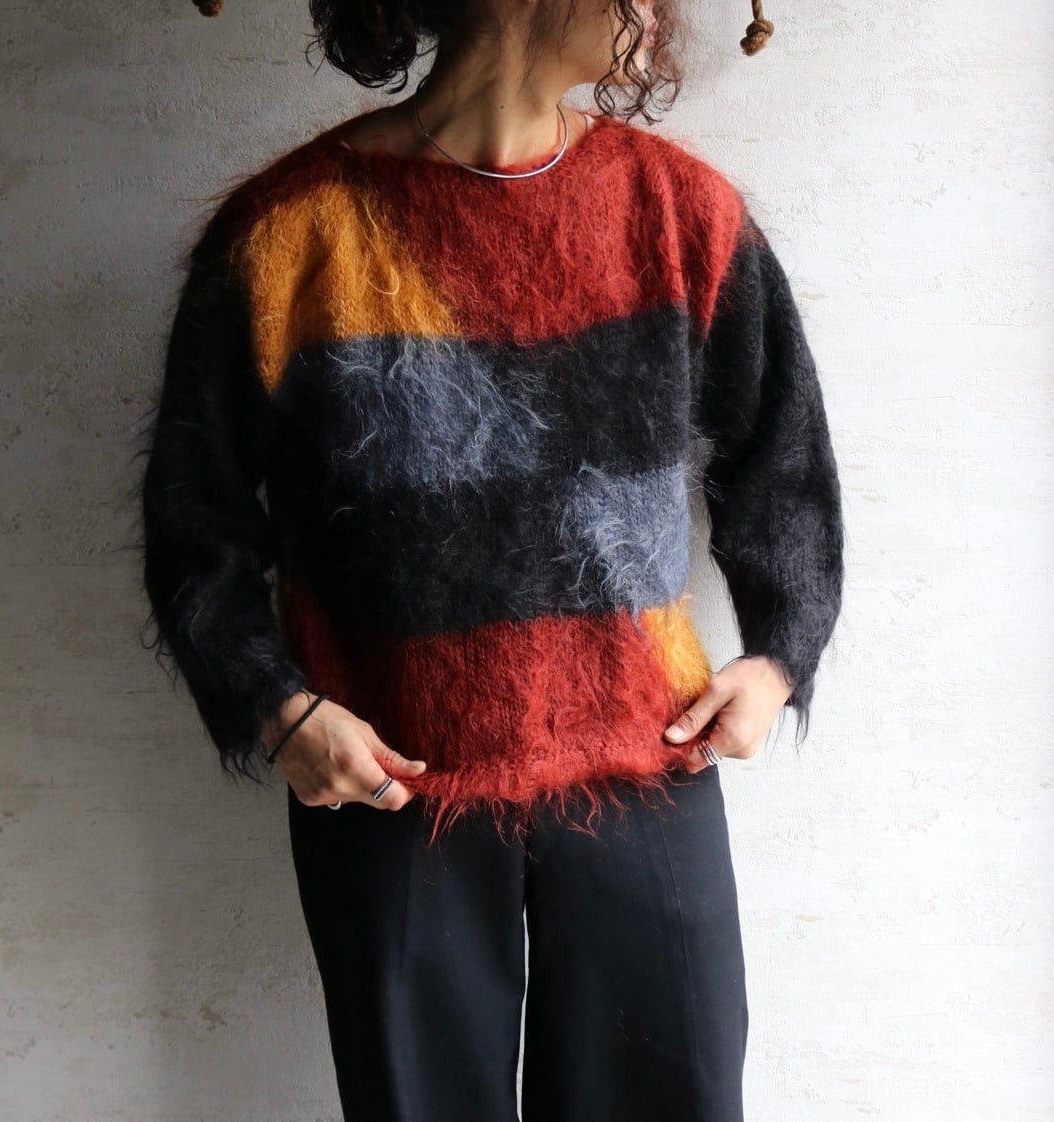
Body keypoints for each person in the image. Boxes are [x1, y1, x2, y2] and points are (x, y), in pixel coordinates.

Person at [137, 1, 843, 1119]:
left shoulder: (677, 212)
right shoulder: (292, 233)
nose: (662, 14)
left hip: (647, 761)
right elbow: (195, 519)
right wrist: (276, 709)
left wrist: (779, 656)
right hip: (388, 782)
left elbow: (782, 460)